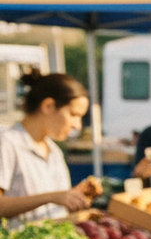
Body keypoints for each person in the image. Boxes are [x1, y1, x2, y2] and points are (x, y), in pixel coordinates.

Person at [0, 72, 95, 226]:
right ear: (48, 106)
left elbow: (58, 203)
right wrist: (51, 197)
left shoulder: (54, 151)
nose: (77, 125)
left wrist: (74, 198)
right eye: (73, 115)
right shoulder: (7, 144)